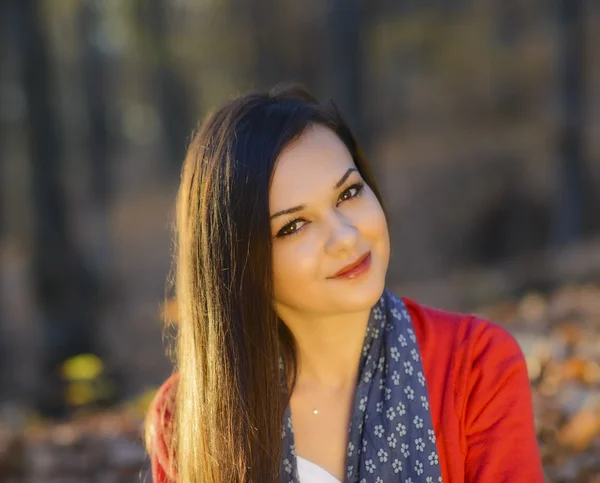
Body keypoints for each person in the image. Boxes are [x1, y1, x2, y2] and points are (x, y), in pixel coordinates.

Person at [145, 84, 545, 483]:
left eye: (348, 193)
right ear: (235, 266)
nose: (346, 237)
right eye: (294, 226)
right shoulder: (186, 414)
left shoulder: (474, 366)